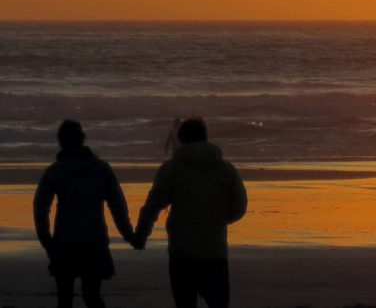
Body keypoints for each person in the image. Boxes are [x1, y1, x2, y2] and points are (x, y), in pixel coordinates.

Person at [134, 117, 247, 308]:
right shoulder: (226, 169)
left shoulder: (172, 168)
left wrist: (141, 234)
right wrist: (216, 220)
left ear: (181, 139)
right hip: (214, 250)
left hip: (182, 251)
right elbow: (239, 207)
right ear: (205, 137)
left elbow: (153, 205)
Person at [33, 120, 135, 308]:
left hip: (65, 241)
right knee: (92, 296)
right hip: (94, 240)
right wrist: (128, 234)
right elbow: (117, 205)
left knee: (64, 298)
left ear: (61, 142)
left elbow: (40, 208)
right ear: (82, 139)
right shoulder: (101, 169)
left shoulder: (55, 171)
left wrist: (46, 240)